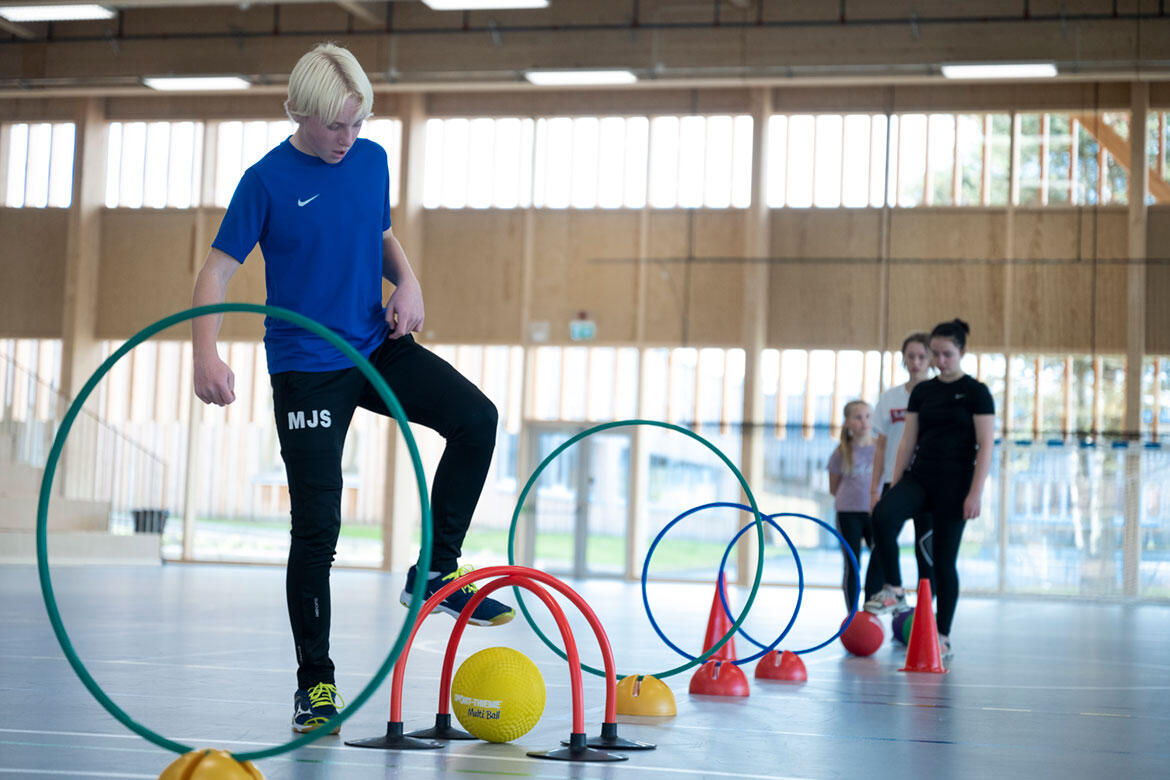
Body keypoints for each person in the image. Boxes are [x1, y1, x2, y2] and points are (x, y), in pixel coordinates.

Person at [191, 42, 512, 736]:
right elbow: (217, 275)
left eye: (358, 123)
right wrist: (205, 354)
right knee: (319, 528)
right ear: (300, 114)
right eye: (336, 125)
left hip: (374, 343)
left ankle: (435, 571)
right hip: (307, 365)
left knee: (477, 419)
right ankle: (316, 685)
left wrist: (411, 281)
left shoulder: (370, 161)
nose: (349, 138)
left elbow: (381, 231)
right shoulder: (266, 180)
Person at [864, 320, 995, 660]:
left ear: (962, 352)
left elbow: (986, 446)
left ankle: (943, 633)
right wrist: (893, 483)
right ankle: (894, 588)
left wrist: (975, 493)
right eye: (935, 353)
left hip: (955, 487)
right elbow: (907, 440)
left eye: (946, 354)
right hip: (919, 478)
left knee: (942, 561)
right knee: (883, 515)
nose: (939, 360)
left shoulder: (977, 392)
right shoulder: (923, 392)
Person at [867, 333, 934, 608]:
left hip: (926, 482)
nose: (916, 362)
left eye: (921, 356)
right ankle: (876, 601)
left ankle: (926, 612)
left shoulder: (935, 395)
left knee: (925, 547)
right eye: (911, 356)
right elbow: (881, 447)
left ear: (930, 359)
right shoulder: (890, 398)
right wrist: (875, 488)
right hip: (892, 481)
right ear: (903, 359)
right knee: (881, 542)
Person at [827, 400, 880, 611]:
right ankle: (852, 613)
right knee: (852, 563)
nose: (864, 422)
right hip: (848, 513)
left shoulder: (880, 448)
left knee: (878, 561)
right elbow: (834, 487)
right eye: (858, 417)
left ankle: (870, 609)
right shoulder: (841, 452)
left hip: (874, 512)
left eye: (867, 416)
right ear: (848, 422)